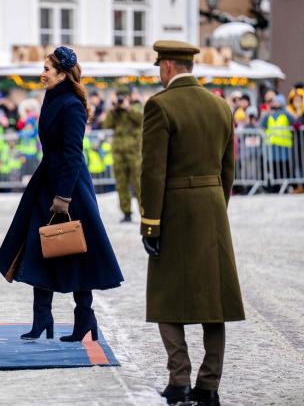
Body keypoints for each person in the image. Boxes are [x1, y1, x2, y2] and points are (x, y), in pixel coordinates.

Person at [140, 40, 245, 406]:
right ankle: (209, 385)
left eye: (159, 66)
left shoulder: (160, 105)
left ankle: (179, 380)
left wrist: (150, 223)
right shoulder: (220, 106)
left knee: (167, 297)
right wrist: (217, 206)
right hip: (212, 207)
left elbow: (153, 172)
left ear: (167, 66)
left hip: (175, 210)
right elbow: (228, 169)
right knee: (213, 300)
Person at [0, 47, 123, 343]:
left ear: (63, 74)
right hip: (47, 182)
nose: (42, 74)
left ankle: (85, 317)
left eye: (47, 70)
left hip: (69, 187)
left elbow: (73, 154)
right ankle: (43, 318)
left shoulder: (72, 105)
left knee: (76, 252)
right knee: (39, 248)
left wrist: (64, 196)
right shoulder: (52, 97)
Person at [102, 85, 143, 222]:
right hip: (118, 152)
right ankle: (126, 213)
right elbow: (106, 124)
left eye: (124, 97)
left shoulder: (136, 107)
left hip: (134, 152)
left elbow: (141, 120)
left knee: (138, 183)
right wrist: (113, 110)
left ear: (129, 97)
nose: (121, 100)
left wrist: (128, 108)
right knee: (121, 183)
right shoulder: (115, 111)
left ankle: (145, 213)